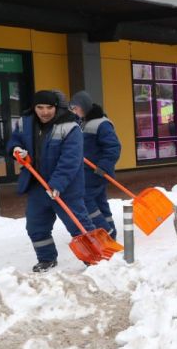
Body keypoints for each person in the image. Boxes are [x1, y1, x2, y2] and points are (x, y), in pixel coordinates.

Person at [8, 90, 95, 272]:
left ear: (56, 107)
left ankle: (94, 257)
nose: (45, 112)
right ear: (34, 108)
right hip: (37, 185)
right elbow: (14, 140)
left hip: (66, 188)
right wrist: (17, 149)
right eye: (40, 107)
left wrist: (57, 184)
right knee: (36, 226)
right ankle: (46, 259)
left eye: (49, 107)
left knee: (77, 224)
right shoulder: (26, 123)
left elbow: (70, 160)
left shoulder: (70, 127)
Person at [69, 90, 122, 239]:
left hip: (96, 171)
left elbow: (113, 147)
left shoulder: (102, 123)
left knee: (85, 200)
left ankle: (105, 231)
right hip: (88, 171)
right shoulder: (83, 123)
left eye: (76, 108)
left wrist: (103, 167)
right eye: (72, 108)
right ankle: (111, 230)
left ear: (84, 106)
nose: (74, 111)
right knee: (100, 202)